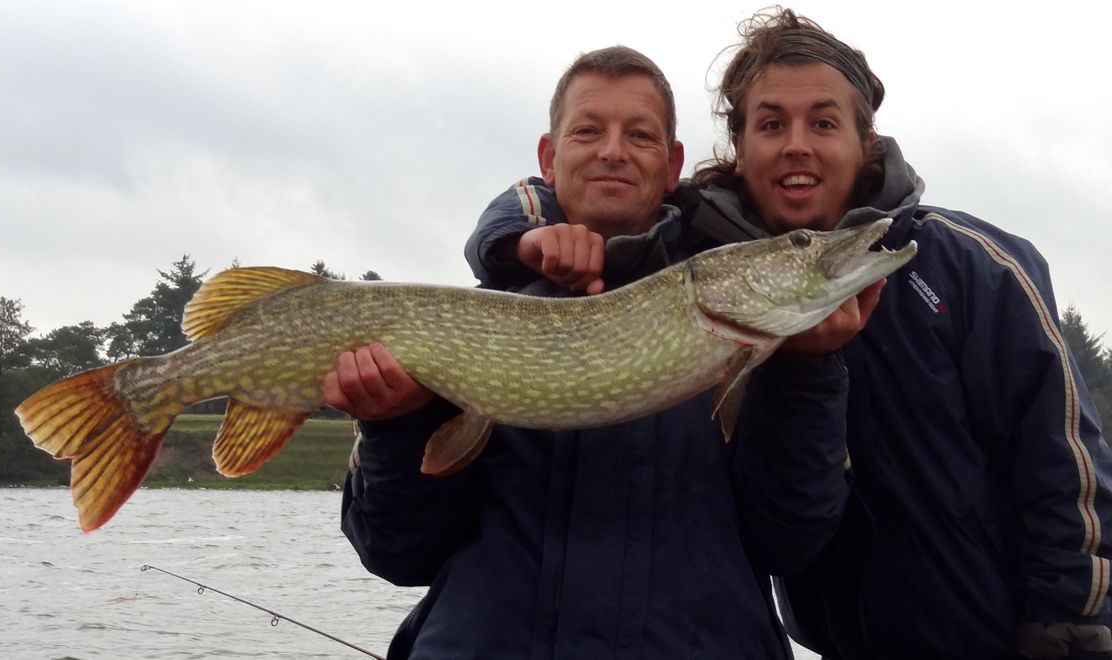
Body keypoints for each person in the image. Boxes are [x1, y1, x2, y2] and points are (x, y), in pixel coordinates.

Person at [466, 9, 1112, 659]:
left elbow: (1064, 467)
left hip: (1005, 638)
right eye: (771, 124)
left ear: (866, 140)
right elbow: (596, 186)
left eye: (824, 123)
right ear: (740, 148)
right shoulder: (713, 266)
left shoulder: (971, 265)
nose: (796, 145)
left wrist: (1069, 628)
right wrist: (513, 237)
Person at [323, 45, 874, 658]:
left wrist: (806, 374)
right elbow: (398, 552)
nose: (613, 150)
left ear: (672, 165)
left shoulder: (766, 353)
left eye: (640, 135)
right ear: (548, 158)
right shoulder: (471, 324)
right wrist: (396, 427)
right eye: (588, 131)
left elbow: (791, 542)